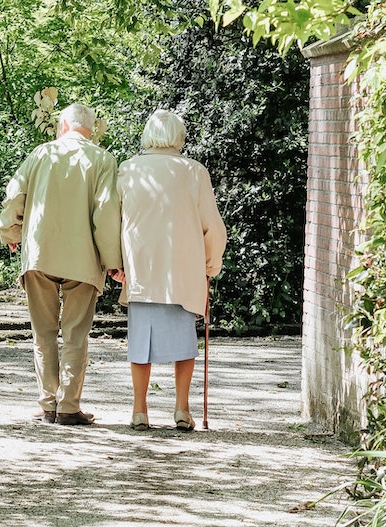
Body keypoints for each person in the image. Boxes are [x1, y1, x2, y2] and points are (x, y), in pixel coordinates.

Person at [0, 103, 122, 426]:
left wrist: (11, 232)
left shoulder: (40, 154)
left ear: (63, 125)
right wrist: (113, 262)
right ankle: (68, 406)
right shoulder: (103, 160)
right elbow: (106, 213)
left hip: (40, 254)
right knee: (75, 334)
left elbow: (14, 196)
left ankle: (47, 404)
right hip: (83, 259)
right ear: (90, 130)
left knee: (43, 333)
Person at [110, 109, 227, 431]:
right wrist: (210, 265)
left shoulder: (128, 169)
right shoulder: (194, 172)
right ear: (179, 137)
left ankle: (139, 410)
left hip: (141, 269)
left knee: (140, 344)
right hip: (183, 271)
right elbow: (213, 227)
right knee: (184, 344)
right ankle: (182, 409)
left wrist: (115, 263)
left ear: (148, 135)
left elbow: (112, 220)